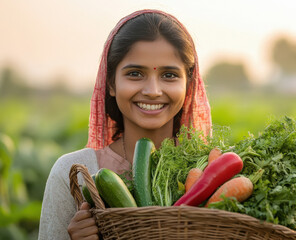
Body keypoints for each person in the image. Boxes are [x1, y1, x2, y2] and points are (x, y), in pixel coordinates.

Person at [38, 9, 212, 240]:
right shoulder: (73, 174)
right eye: (135, 73)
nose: (153, 91)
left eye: (169, 75)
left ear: (188, 86)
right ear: (111, 83)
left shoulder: (210, 173)